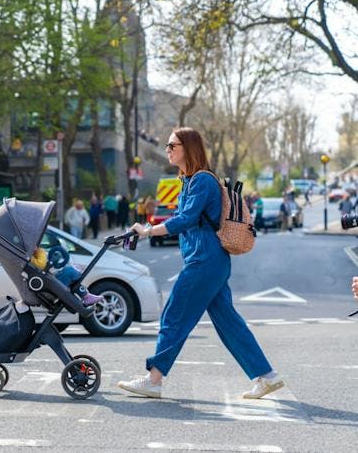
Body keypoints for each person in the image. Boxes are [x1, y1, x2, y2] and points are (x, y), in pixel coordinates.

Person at [118, 127, 284, 400]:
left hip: (205, 261)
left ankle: (154, 380)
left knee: (174, 314)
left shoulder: (202, 181)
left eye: (172, 145)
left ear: (189, 148)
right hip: (210, 261)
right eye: (167, 145)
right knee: (228, 322)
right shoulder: (189, 181)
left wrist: (148, 231)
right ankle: (266, 377)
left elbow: (185, 220)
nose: (167, 150)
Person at [30, 247, 103, 306]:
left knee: (73, 281)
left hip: (48, 281)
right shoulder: (30, 257)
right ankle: (86, 296)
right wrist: (39, 251)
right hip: (47, 286)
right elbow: (41, 264)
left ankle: (86, 296)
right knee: (70, 272)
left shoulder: (31, 256)